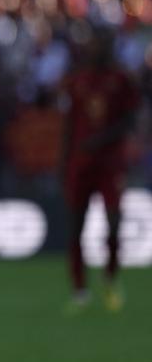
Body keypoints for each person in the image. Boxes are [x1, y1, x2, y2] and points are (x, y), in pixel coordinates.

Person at [59, 31, 140, 313]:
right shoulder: (77, 81)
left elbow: (131, 119)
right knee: (76, 226)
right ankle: (80, 290)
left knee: (114, 221)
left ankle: (110, 279)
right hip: (80, 164)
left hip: (110, 162)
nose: (96, 49)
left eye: (101, 44)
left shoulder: (121, 80)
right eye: (93, 44)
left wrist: (103, 139)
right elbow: (69, 125)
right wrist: (64, 161)